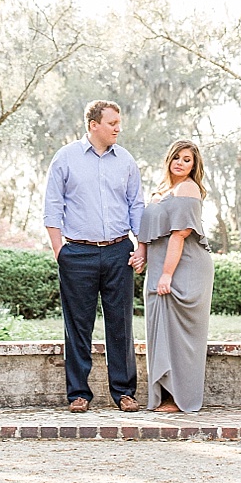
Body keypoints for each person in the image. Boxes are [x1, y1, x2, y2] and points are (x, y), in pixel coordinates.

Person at [43, 99, 146, 413]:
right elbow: (52, 208)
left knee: (120, 325)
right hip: (77, 254)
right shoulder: (65, 158)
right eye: (112, 122)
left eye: (118, 122)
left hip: (119, 252)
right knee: (78, 327)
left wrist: (141, 246)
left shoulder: (125, 160)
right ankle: (78, 394)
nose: (118, 127)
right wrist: (61, 252)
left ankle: (124, 393)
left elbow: (136, 206)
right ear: (93, 125)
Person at [139, 139, 212, 413]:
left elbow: (180, 234)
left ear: (194, 166)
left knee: (180, 335)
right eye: (177, 157)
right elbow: (150, 230)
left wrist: (167, 274)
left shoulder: (188, 188)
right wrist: (141, 254)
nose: (181, 163)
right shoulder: (162, 191)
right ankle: (165, 395)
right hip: (162, 269)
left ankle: (179, 398)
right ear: (168, 159)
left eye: (187, 160)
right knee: (160, 329)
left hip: (186, 269)